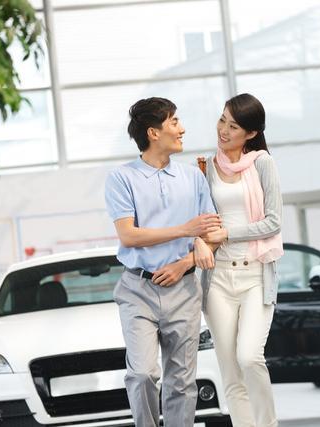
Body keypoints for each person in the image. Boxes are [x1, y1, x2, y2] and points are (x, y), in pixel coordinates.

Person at [104, 97, 221, 427]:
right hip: (138, 288)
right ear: (153, 133)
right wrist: (185, 230)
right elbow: (129, 235)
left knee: (181, 382)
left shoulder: (193, 177)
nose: (181, 129)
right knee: (142, 373)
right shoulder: (121, 178)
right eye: (174, 122)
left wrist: (185, 263)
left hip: (184, 288)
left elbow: (212, 232)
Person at [196, 93, 283, 427]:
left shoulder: (262, 163)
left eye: (234, 126)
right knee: (230, 371)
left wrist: (227, 234)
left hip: (255, 275)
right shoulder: (207, 167)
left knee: (249, 357)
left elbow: (274, 222)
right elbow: (203, 221)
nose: (224, 130)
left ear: (251, 133)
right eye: (222, 120)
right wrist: (204, 239)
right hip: (218, 279)